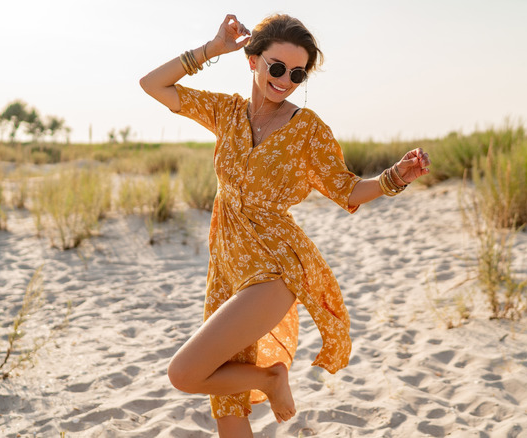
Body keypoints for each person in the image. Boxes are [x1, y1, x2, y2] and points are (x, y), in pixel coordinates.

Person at [140, 13, 431, 437]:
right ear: (253, 61)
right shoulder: (225, 112)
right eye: (277, 67)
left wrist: (395, 177)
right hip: (228, 264)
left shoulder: (307, 130)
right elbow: (153, 85)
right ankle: (265, 380)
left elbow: (347, 190)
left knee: (184, 373)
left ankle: (271, 378)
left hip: (275, 266)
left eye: (298, 73)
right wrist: (212, 49)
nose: (286, 79)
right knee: (227, 408)